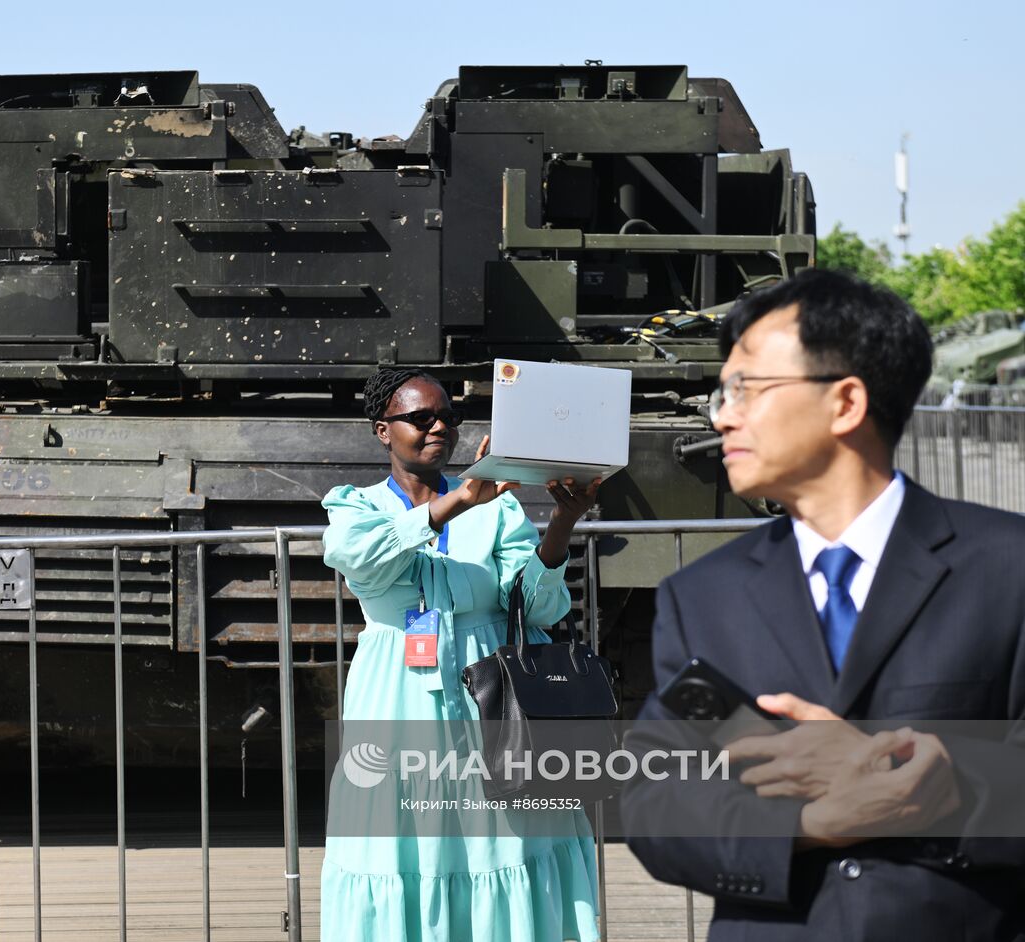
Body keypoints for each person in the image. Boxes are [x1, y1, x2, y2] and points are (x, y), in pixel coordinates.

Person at [622, 268, 1025, 939]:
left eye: (745, 388)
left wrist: (933, 783)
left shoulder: (1006, 568)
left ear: (845, 403)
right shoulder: (702, 597)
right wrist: (808, 827)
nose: (721, 413)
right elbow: (656, 803)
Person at [319, 367, 604, 941]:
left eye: (447, 416)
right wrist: (457, 501)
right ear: (383, 430)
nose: (438, 426)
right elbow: (361, 558)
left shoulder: (499, 508)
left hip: (493, 699)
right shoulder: (357, 507)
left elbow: (537, 607)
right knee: (401, 843)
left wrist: (562, 524)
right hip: (397, 698)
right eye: (420, 418)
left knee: (502, 837)